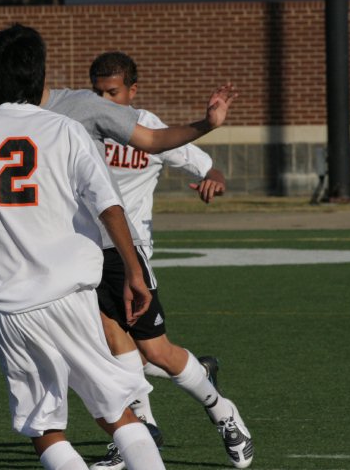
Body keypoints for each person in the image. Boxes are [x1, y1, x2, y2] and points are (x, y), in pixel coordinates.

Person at [0, 25, 168, 470]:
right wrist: (133, 270)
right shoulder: (64, 130)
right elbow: (108, 205)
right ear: (41, 75)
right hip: (71, 295)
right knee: (117, 415)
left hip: (8, 305)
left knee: (45, 427)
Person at [87, 52, 254, 470]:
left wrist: (213, 180)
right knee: (109, 345)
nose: (104, 99)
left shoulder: (148, 129)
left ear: (133, 91)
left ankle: (221, 409)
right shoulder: (81, 126)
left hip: (130, 253)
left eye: (113, 92)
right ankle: (138, 435)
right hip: (86, 252)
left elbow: (206, 165)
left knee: (156, 352)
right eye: (98, 92)